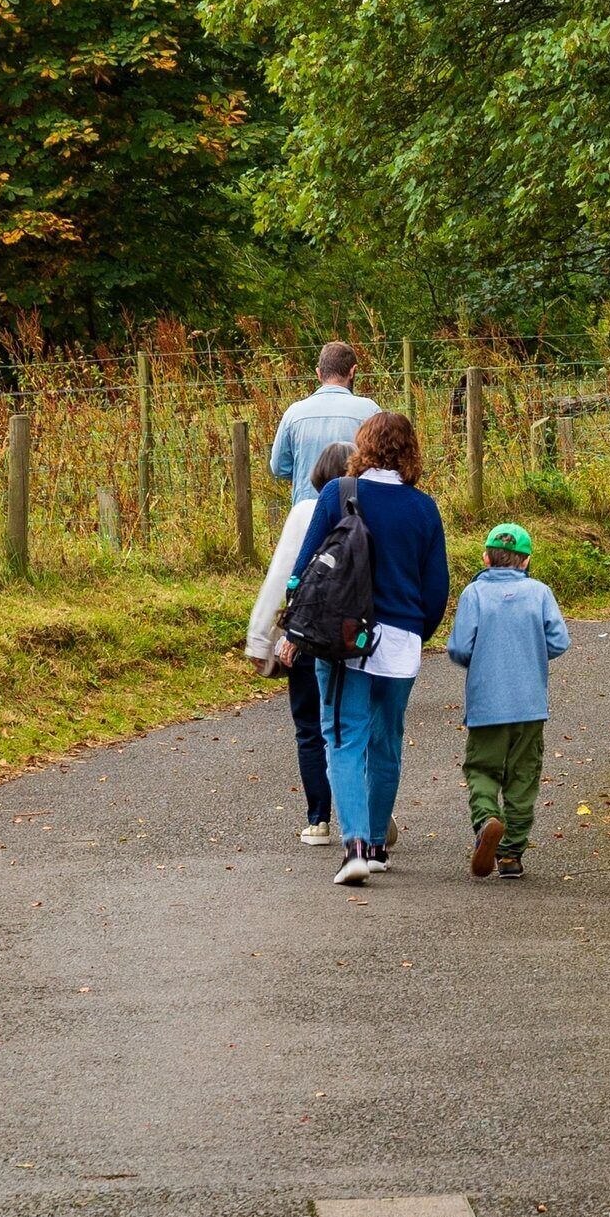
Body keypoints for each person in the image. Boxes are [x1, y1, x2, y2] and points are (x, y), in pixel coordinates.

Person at [304, 410, 447, 886]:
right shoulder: (424, 508)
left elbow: (305, 568)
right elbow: (436, 590)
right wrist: (415, 632)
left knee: (345, 739)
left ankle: (356, 848)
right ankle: (380, 847)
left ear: (363, 446)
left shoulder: (337, 494)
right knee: (387, 743)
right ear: (411, 452)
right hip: (403, 642)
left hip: (346, 638)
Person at [245, 438, 353, 846]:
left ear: (318, 474)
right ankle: (367, 811)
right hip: (355, 635)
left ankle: (318, 820)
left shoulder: (306, 511)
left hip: (307, 633)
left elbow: (281, 577)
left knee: (310, 727)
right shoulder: (368, 511)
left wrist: (260, 639)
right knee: (354, 724)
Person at [447, 523, 569, 879]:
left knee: (482, 769)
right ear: (526, 560)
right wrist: (531, 651)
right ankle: (511, 854)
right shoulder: (540, 593)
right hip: (530, 703)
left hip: (487, 703)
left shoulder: (474, 593)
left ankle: (487, 819)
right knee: (523, 775)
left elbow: (459, 647)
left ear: (486, 558)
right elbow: (559, 641)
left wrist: (482, 659)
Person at [268, 341, 382, 500]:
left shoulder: (294, 413)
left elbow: (279, 467)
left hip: (307, 508)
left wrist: (306, 473)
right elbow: (381, 465)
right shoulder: (370, 411)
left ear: (319, 373)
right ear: (353, 371)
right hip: (354, 508)